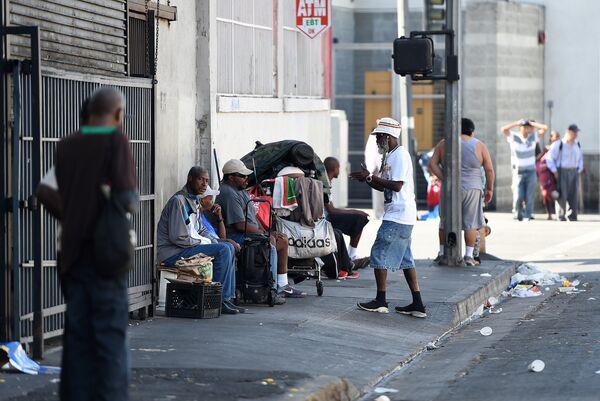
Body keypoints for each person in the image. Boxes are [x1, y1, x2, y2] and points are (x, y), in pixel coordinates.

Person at [37, 88, 137, 401]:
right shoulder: (115, 140)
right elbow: (127, 200)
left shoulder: (65, 146)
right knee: (109, 341)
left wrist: (73, 215)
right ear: (118, 115)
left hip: (70, 256)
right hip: (106, 257)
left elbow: (45, 190)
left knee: (77, 340)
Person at [350, 118, 426, 317]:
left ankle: (380, 300)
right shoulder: (390, 156)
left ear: (389, 137)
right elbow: (384, 185)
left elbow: (397, 185)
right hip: (401, 214)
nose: (376, 141)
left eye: (379, 137)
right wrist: (368, 178)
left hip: (398, 215)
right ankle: (417, 304)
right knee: (406, 260)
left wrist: (372, 177)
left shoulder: (400, 155)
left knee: (378, 253)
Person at [156, 166, 243, 315]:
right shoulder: (179, 201)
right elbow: (178, 237)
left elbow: (201, 230)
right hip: (173, 252)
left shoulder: (194, 201)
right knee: (223, 250)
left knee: (226, 247)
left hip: (186, 247)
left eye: (207, 181)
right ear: (190, 179)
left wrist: (217, 241)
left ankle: (227, 298)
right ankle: (219, 299)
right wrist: (210, 244)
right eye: (200, 179)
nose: (204, 184)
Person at [216, 159, 306, 299]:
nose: (246, 178)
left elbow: (253, 216)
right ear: (231, 177)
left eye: (246, 176)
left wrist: (265, 230)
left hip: (249, 232)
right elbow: (239, 225)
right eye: (242, 176)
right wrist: (265, 234)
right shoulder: (228, 193)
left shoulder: (240, 190)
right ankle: (271, 287)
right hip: (236, 236)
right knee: (270, 240)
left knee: (282, 239)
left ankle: (282, 285)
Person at [429, 118, 495, 266]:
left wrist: (445, 178)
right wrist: (489, 189)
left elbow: (432, 164)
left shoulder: (444, 143)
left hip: (450, 188)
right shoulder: (479, 145)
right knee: (470, 223)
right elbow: (489, 170)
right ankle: (468, 256)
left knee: (445, 221)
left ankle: (441, 253)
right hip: (472, 187)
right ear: (472, 131)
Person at [323, 157, 370, 268]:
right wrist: (356, 211)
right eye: (339, 168)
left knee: (359, 219)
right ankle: (351, 257)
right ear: (335, 169)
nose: (340, 170)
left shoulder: (327, 181)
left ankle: (352, 255)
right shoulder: (323, 183)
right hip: (326, 220)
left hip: (329, 216)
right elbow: (331, 210)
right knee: (359, 218)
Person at [501, 118, 548, 221]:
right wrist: (516, 123)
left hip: (531, 170)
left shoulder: (533, 137)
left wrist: (532, 124)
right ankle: (518, 213)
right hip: (518, 171)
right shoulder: (515, 137)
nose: (526, 129)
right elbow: (503, 129)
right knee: (518, 195)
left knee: (529, 194)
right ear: (520, 128)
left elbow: (545, 128)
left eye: (528, 127)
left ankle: (529, 214)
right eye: (524, 127)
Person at [546, 124, 584, 221]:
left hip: (574, 171)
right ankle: (561, 215)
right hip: (562, 171)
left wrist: (579, 169)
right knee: (562, 194)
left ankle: (572, 215)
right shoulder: (559, 144)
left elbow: (580, 158)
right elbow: (549, 158)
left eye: (576, 132)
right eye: (574, 132)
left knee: (573, 194)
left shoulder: (577, 144)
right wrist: (554, 170)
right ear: (568, 132)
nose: (576, 134)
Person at [536, 131, 561, 220]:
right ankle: (549, 213)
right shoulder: (547, 148)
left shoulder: (560, 147)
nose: (557, 138)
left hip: (555, 172)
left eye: (558, 136)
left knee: (557, 192)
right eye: (555, 136)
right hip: (546, 174)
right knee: (546, 193)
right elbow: (539, 158)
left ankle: (558, 212)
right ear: (551, 138)